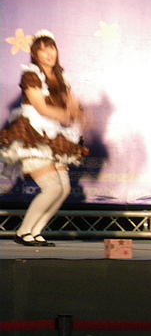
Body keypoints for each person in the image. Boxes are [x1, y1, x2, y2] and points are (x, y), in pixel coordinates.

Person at [0, 30, 88, 247]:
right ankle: (23, 232)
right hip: (31, 136)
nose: (48, 53)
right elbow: (40, 107)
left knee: (64, 189)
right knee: (53, 188)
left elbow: (72, 105)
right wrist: (65, 115)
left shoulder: (62, 77)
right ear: (34, 54)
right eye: (42, 50)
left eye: (51, 47)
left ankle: (35, 231)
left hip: (54, 137)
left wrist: (80, 114)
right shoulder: (31, 75)